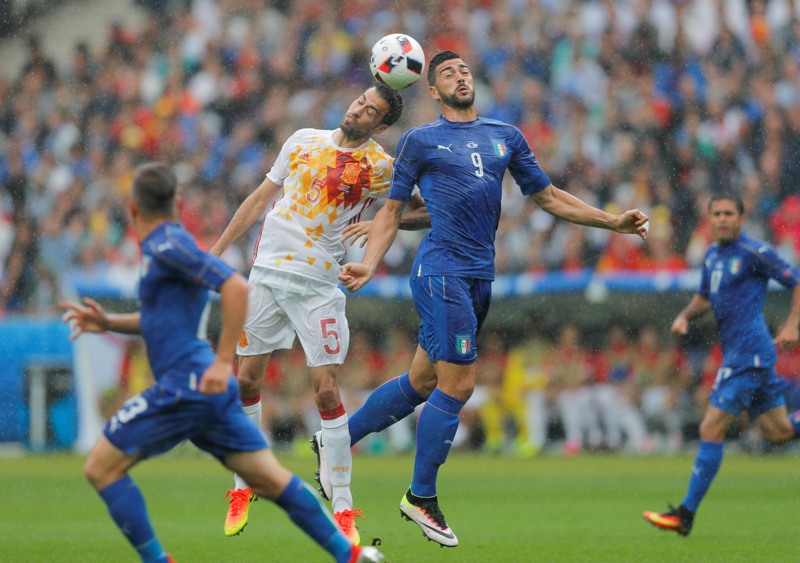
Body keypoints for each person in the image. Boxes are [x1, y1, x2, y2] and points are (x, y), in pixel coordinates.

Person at [336, 50, 650, 548]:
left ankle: (337, 440)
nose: (460, 76)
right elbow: (393, 212)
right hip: (441, 271)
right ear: (432, 91)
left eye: (464, 70)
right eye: (447, 73)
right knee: (459, 385)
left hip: (479, 276)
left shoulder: (506, 136)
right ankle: (420, 497)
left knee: (422, 381)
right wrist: (371, 263)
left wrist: (611, 222)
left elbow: (548, 196)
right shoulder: (421, 140)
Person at [60, 163, 383, 563]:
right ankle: (352, 555)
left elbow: (233, 285)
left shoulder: (166, 246)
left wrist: (222, 361)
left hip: (185, 387)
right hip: (204, 392)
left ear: (133, 209)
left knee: (101, 467)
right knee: (272, 480)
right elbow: (162, 319)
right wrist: (109, 322)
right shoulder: (166, 246)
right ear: (178, 202)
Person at [208, 83, 427, 543]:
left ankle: (343, 507)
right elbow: (259, 199)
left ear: (381, 126)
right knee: (245, 381)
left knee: (326, 390)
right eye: (360, 101)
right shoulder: (302, 140)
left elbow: (425, 212)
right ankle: (243, 485)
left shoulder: (382, 167)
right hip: (267, 274)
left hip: (319, 285)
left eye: (371, 111)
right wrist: (216, 251)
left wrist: (382, 222)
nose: (359, 109)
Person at [643, 194, 800, 536]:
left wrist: (792, 325)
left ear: (741, 218)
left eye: (729, 213)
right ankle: (685, 515)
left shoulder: (755, 252)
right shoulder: (712, 255)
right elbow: (704, 296)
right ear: (709, 219)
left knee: (711, 427)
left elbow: (796, 280)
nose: (723, 219)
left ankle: (684, 515)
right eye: (717, 214)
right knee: (778, 432)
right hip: (743, 356)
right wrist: (685, 316)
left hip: (749, 355)